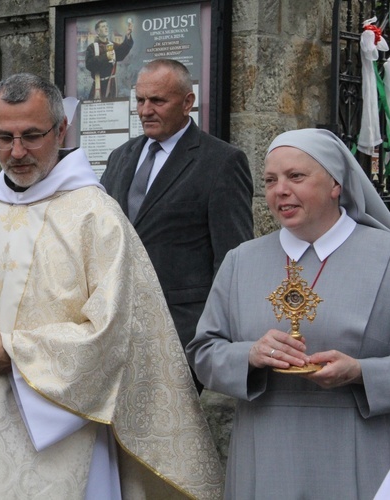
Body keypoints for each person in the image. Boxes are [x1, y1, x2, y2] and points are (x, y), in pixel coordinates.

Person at [0, 73, 223, 499]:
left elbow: (113, 331)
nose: (16, 152)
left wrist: (17, 356)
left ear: (61, 130)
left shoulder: (96, 216)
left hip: (55, 436)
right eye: (4, 138)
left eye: (31, 136)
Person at [186, 128, 390, 499]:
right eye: (270, 180)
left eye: (296, 176)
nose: (280, 190)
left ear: (335, 184)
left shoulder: (387, 255)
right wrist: (248, 355)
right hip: (265, 452)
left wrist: (363, 372)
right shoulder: (241, 261)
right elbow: (203, 352)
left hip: (359, 452)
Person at [101, 58, 254, 393]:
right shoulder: (121, 157)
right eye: (140, 100)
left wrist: (216, 337)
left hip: (180, 335)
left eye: (158, 101)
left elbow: (232, 257)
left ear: (188, 103)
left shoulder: (221, 162)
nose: (145, 110)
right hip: (116, 329)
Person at [85, 19, 133, 99]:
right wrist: (106, 57)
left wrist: (127, 36)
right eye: (103, 26)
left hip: (112, 84)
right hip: (98, 84)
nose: (106, 28)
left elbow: (122, 52)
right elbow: (89, 64)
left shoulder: (113, 45)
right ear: (97, 31)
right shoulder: (92, 48)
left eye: (107, 26)